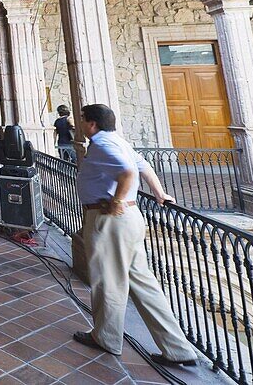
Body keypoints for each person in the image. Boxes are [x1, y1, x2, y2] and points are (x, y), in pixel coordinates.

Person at [73, 104, 197, 368]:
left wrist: (117, 201)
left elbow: (128, 173)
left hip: (110, 219)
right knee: (143, 283)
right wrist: (159, 193)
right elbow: (143, 166)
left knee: (108, 279)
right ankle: (177, 348)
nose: (80, 124)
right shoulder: (118, 141)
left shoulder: (104, 144)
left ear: (92, 123)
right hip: (129, 220)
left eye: (82, 120)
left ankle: (106, 337)